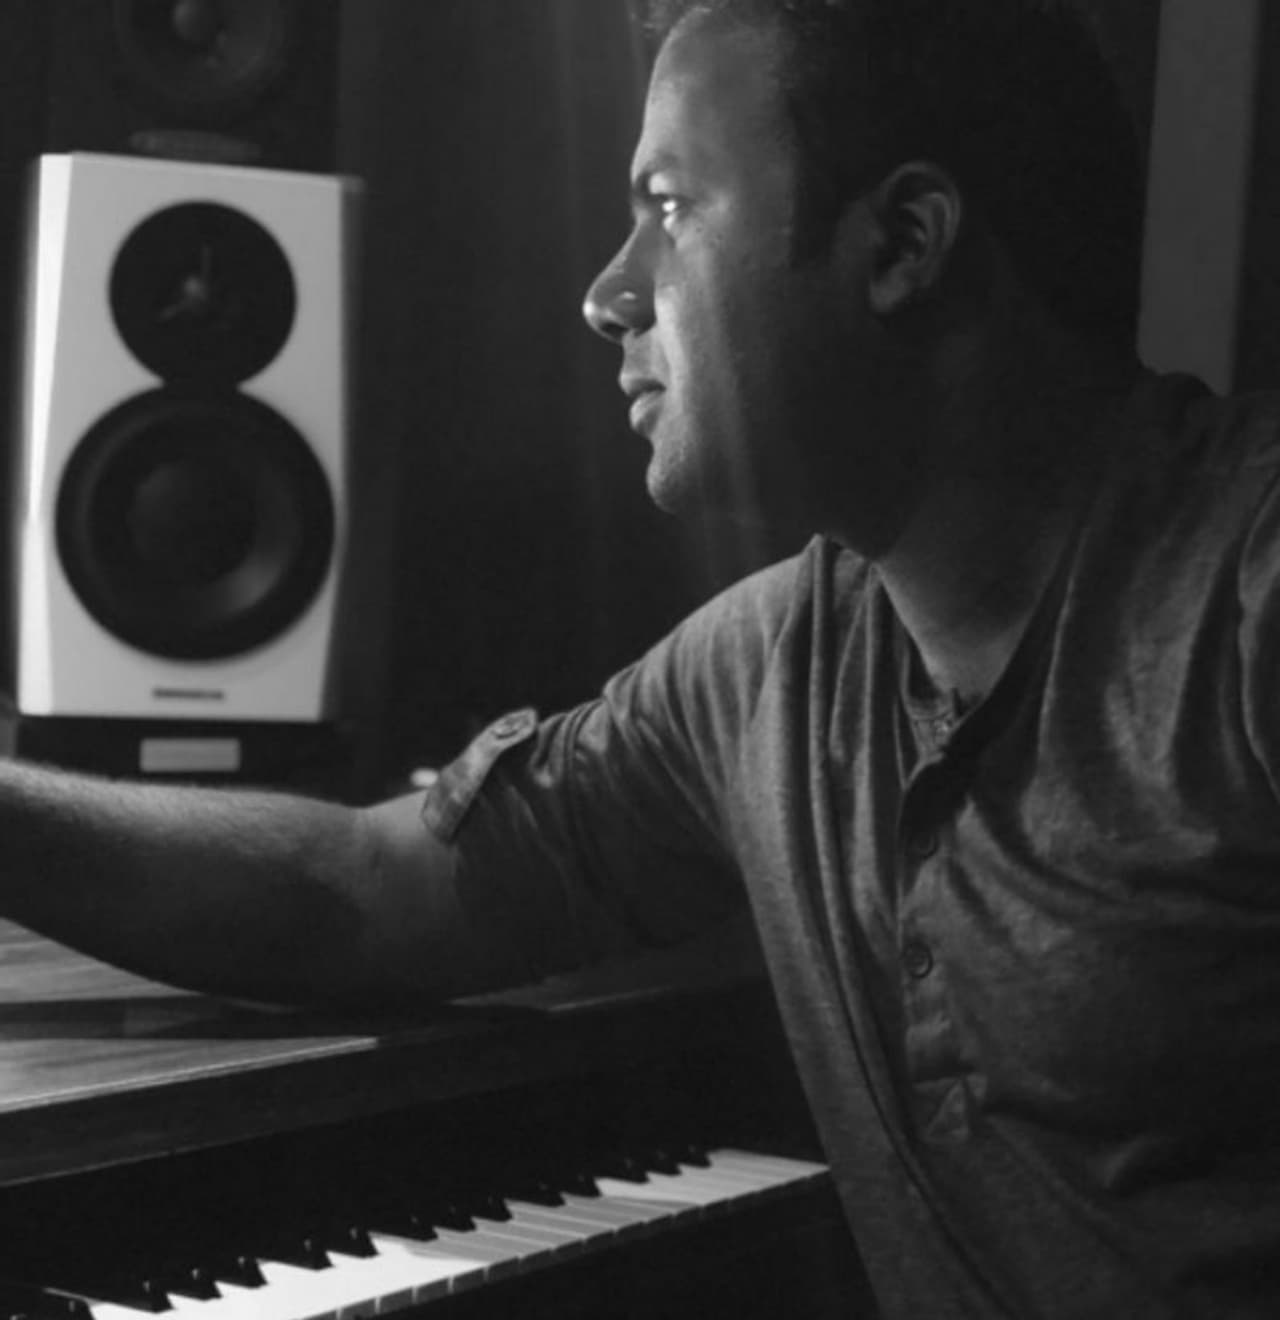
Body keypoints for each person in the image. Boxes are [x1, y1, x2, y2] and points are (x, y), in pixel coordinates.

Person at [0, 0, 1276, 1314]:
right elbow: (366, 892)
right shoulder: (769, 669)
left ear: (902, 243)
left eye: (668, 207)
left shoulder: (1246, 596)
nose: (607, 294)